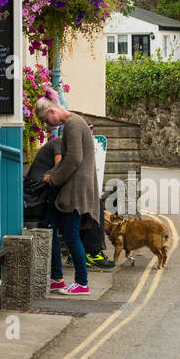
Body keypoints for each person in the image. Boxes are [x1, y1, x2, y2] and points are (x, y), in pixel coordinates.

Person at [33, 97, 101, 295]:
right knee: (51, 227)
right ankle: (57, 279)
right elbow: (69, 159)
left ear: (53, 111)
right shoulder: (73, 123)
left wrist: (53, 179)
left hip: (75, 191)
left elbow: (73, 159)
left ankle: (82, 282)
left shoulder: (72, 125)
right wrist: (53, 174)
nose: (47, 125)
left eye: (46, 120)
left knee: (71, 236)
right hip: (71, 189)